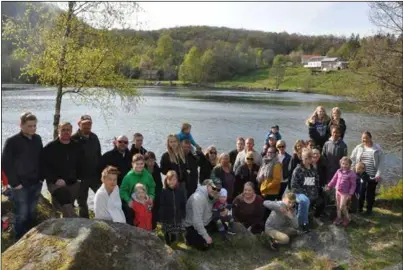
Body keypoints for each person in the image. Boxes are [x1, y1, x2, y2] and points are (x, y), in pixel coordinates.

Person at [1, 112, 44, 240]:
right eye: (30, 126)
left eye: (35, 126)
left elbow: (41, 159)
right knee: (22, 213)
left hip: (36, 182)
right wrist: (15, 183)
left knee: (31, 212)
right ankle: (18, 239)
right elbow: (5, 163)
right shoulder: (12, 141)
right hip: (20, 185)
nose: (33, 128)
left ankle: (30, 237)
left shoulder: (38, 139)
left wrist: (41, 178)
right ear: (21, 125)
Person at [43, 122, 82, 219]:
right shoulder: (50, 147)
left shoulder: (76, 146)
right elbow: (44, 167)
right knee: (64, 197)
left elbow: (80, 164)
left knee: (67, 204)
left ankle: (60, 221)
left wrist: (78, 178)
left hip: (72, 182)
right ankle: (73, 221)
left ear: (71, 131)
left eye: (68, 130)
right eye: (63, 130)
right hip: (55, 183)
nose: (66, 132)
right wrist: (56, 179)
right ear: (58, 131)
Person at [71, 114, 102, 219]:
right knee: (82, 202)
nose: (87, 126)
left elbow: (99, 155)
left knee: (102, 196)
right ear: (79, 124)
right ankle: (85, 222)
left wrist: (101, 173)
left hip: (94, 176)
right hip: (80, 178)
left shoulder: (94, 137)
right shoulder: (73, 139)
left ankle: (102, 219)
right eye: (84, 124)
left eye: (89, 124)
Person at [350, 131, 384, 215]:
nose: (364, 140)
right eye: (363, 138)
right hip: (361, 175)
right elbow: (352, 158)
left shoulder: (377, 148)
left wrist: (378, 174)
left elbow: (381, 163)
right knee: (360, 193)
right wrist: (353, 168)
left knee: (370, 193)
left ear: (370, 138)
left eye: (366, 138)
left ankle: (369, 211)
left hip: (372, 175)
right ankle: (359, 209)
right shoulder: (359, 147)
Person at [184, 179, 222, 251]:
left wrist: (222, 209)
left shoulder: (215, 195)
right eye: (213, 188)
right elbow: (197, 222)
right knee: (204, 246)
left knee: (223, 227)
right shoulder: (198, 198)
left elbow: (219, 207)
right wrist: (206, 236)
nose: (216, 191)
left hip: (206, 221)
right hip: (192, 226)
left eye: (218, 189)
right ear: (208, 186)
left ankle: (205, 231)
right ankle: (188, 237)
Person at [120, 154, 156, 225]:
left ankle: (150, 231)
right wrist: (128, 200)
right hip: (133, 203)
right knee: (133, 220)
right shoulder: (128, 177)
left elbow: (152, 186)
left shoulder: (148, 175)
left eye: (141, 164)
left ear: (144, 163)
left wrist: (151, 196)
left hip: (145, 201)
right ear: (132, 164)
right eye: (137, 164)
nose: (139, 166)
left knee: (149, 218)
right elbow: (122, 191)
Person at [290, 148, 319, 232]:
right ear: (302, 158)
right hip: (298, 193)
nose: (307, 160)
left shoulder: (313, 169)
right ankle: (301, 223)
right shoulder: (298, 170)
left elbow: (316, 183)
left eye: (309, 158)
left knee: (306, 201)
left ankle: (303, 223)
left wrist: (314, 193)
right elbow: (294, 185)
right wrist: (305, 193)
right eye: (305, 158)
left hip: (311, 194)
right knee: (304, 201)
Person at [326, 157, 356, 227]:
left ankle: (347, 218)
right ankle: (339, 217)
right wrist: (329, 186)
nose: (344, 166)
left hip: (345, 193)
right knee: (338, 205)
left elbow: (353, 185)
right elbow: (334, 179)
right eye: (343, 164)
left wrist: (350, 194)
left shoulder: (352, 174)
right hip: (337, 191)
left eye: (346, 164)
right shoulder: (338, 171)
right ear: (340, 164)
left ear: (350, 165)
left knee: (342, 206)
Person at [159, 170, 187, 245]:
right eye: (170, 180)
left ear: (177, 180)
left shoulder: (181, 190)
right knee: (167, 229)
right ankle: (167, 241)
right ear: (166, 180)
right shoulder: (164, 191)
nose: (172, 182)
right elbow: (162, 205)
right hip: (167, 215)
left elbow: (183, 203)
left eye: (174, 179)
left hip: (178, 214)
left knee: (176, 228)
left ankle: (174, 238)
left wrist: (183, 213)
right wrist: (162, 217)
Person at [144, 152, 163, 230]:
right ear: (145, 161)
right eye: (148, 161)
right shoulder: (143, 170)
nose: (151, 163)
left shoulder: (156, 168)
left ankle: (154, 227)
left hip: (156, 192)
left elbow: (159, 182)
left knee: (155, 212)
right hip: (146, 194)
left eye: (152, 160)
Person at [312, 149, 327, 226]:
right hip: (308, 189)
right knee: (319, 201)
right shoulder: (308, 165)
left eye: (317, 153)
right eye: (314, 153)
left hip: (318, 188)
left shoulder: (321, 165)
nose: (315, 155)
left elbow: (323, 177)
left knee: (323, 199)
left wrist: (325, 185)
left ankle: (316, 217)